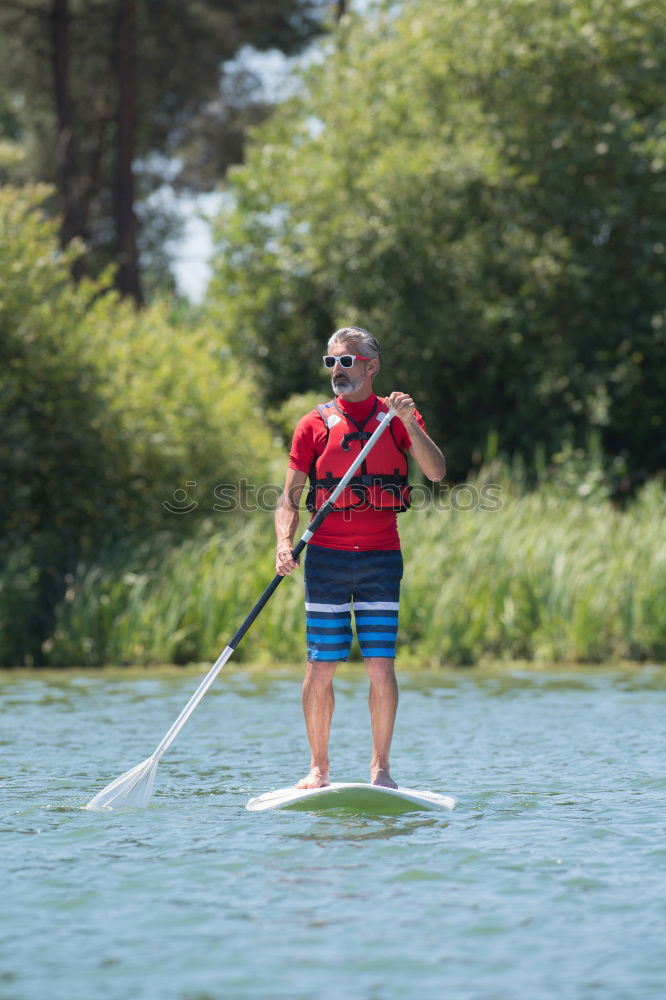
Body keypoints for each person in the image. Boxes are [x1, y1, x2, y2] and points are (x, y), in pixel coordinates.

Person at [274, 327, 446, 789]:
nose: (336, 371)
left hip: (380, 559)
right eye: (330, 362)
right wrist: (283, 543)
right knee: (320, 666)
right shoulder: (313, 423)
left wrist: (409, 422)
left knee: (379, 665)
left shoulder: (397, 419)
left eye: (345, 362)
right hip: (327, 559)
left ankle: (381, 769)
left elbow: (435, 471)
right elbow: (289, 498)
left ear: (371, 367)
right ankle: (318, 769)